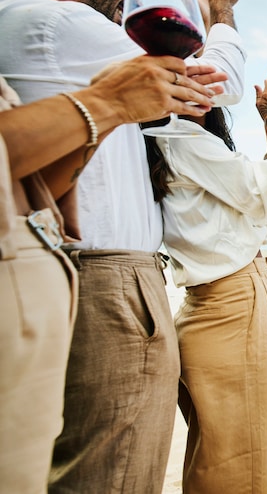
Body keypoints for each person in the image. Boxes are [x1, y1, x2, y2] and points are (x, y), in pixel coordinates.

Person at [0, 0, 249, 491]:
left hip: (80, 271)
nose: (127, 2)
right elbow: (216, 84)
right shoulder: (60, 22)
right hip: (106, 278)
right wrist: (223, 11)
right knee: (118, 468)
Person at [0, 57, 217, 493]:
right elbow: (215, 78)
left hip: (68, 279)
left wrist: (105, 113)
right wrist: (103, 102)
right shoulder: (69, 33)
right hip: (95, 280)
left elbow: (48, 194)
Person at [148, 66, 267, 492]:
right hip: (232, 304)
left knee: (216, 448)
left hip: (208, 303)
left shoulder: (165, 143)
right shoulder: (181, 138)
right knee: (242, 453)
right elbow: (263, 190)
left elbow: (264, 186)